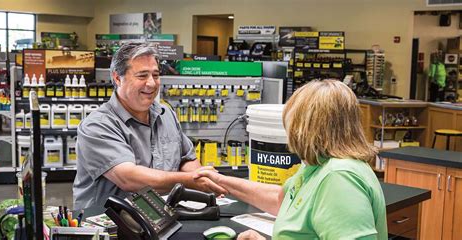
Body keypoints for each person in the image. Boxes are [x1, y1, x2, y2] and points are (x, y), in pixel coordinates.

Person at [196, 80, 388, 239]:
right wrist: (221, 180)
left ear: (306, 128)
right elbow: (283, 200)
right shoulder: (319, 165)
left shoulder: (340, 178)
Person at [73, 42, 226, 210]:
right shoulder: (98, 125)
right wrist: (193, 180)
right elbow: (130, 179)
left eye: (156, 75)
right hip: (110, 225)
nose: (152, 84)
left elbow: (186, 158)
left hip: (162, 217)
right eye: (142, 76)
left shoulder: (166, 114)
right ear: (118, 78)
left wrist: (203, 181)